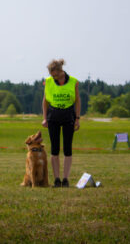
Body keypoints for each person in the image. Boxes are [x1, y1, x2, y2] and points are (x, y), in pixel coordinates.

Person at [41, 59, 80, 188]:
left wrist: (78, 119)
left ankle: (66, 179)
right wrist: (45, 118)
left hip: (69, 116)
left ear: (60, 70)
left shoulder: (73, 81)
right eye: (52, 75)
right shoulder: (48, 82)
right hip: (53, 116)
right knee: (55, 149)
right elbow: (45, 101)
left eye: (55, 75)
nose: (54, 77)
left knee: (68, 149)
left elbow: (77, 101)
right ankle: (57, 179)